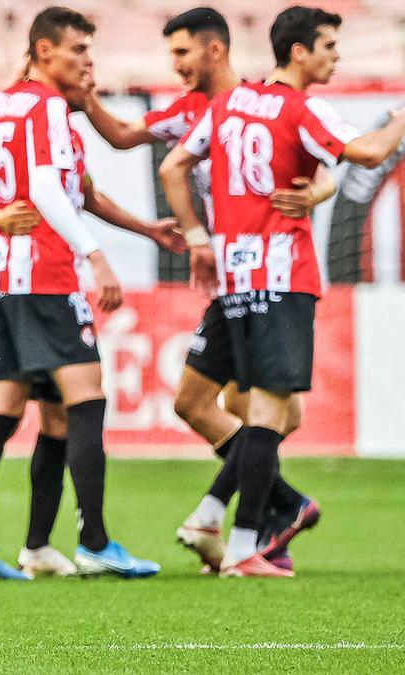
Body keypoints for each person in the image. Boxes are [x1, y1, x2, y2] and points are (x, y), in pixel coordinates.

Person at [83, 6, 334, 573]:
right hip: (233, 278)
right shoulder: (190, 112)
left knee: (269, 412)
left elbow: (327, 167)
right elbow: (124, 136)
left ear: (214, 49)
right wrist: (86, 97)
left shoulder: (258, 104)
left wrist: (313, 196)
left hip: (263, 272)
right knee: (213, 405)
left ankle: (253, 515)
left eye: (181, 53)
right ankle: (278, 509)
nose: (175, 66)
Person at [160, 5, 405, 576]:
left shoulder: (229, 104)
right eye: (327, 46)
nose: (334, 57)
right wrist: (399, 118)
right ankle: (246, 546)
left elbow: (174, 166)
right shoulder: (301, 108)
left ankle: (213, 512)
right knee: (272, 412)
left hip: (234, 276)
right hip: (281, 271)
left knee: (272, 413)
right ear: (299, 51)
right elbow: (368, 153)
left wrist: (199, 236)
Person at [0, 6, 160, 582]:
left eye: (90, 54)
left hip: (1, 282)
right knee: (86, 400)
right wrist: (95, 256)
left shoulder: (8, 107)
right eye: (77, 52)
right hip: (46, 278)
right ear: (44, 52)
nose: (88, 64)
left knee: (20, 413)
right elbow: (46, 188)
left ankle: (0, 550)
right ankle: (93, 541)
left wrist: (147, 230)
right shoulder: (41, 108)